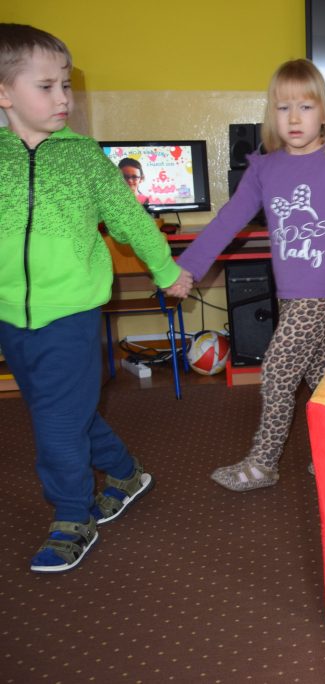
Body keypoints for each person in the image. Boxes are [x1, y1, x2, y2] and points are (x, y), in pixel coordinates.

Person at [0, 24, 190, 572]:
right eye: (46, 86)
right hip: (11, 316)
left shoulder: (83, 158)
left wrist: (166, 271)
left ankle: (71, 515)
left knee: (56, 424)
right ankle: (126, 474)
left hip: (71, 312)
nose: (63, 97)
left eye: (65, 85)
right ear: (5, 93)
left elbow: (132, 220)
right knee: (63, 410)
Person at [170, 58, 325, 491]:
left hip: (324, 289)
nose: (293, 118)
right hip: (291, 291)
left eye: (305, 107)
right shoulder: (265, 169)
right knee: (321, 374)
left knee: (277, 369)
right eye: (283, 107)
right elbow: (228, 220)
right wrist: (189, 265)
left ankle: (263, 463)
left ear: (324, 112)